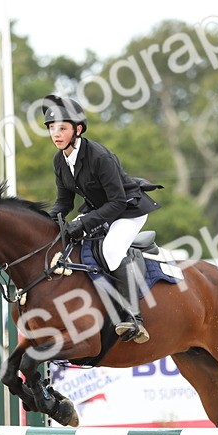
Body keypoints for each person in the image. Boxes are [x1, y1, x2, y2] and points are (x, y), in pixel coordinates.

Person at [43, 94, 160, 343]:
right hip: (100, 208)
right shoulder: (59, 160)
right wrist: (44, 222)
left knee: (110, 251)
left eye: (62, 128)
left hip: (128, 209)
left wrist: (83, 223)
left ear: (78, 129)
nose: (56, 134)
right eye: (52, 129)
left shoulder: (99, 156)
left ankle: (133, 318)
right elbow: (64, 203)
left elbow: (117, 201)